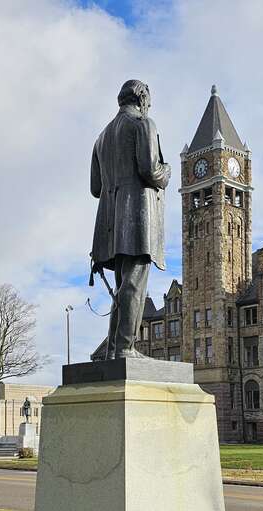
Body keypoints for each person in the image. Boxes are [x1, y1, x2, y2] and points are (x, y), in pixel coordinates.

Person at [90, 79, 171, 359]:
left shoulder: (101, 138)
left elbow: (95, 188)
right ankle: (126, 348)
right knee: (134, 283)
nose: (149, 106)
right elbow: (151, 170)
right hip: (137, 217)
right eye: (148, 100)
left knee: (124, 286)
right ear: (142, 98)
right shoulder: (143, 125)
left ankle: (115, 350)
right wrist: (167, 172)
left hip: (109, 225)